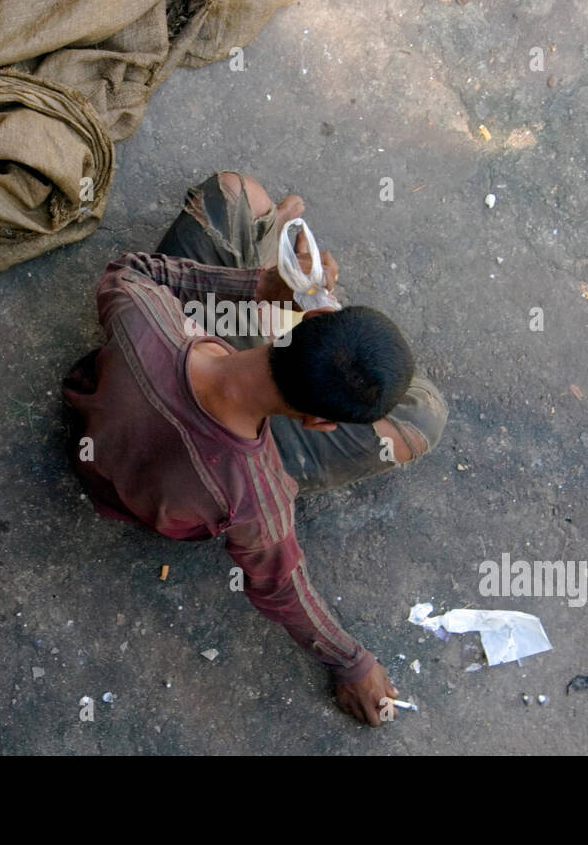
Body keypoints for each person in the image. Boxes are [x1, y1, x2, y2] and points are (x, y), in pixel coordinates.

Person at [61, 172, 447, 726]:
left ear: (303, 318)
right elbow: (281, 588)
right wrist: (351, 662)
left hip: (132, 393)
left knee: (239, 192)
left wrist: (260, 286)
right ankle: (322, 350)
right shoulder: (258, 497)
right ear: (317, 424)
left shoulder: (142, 315)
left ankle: (294, 300)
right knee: (421, 412)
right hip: (206, 467)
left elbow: (131, 268)